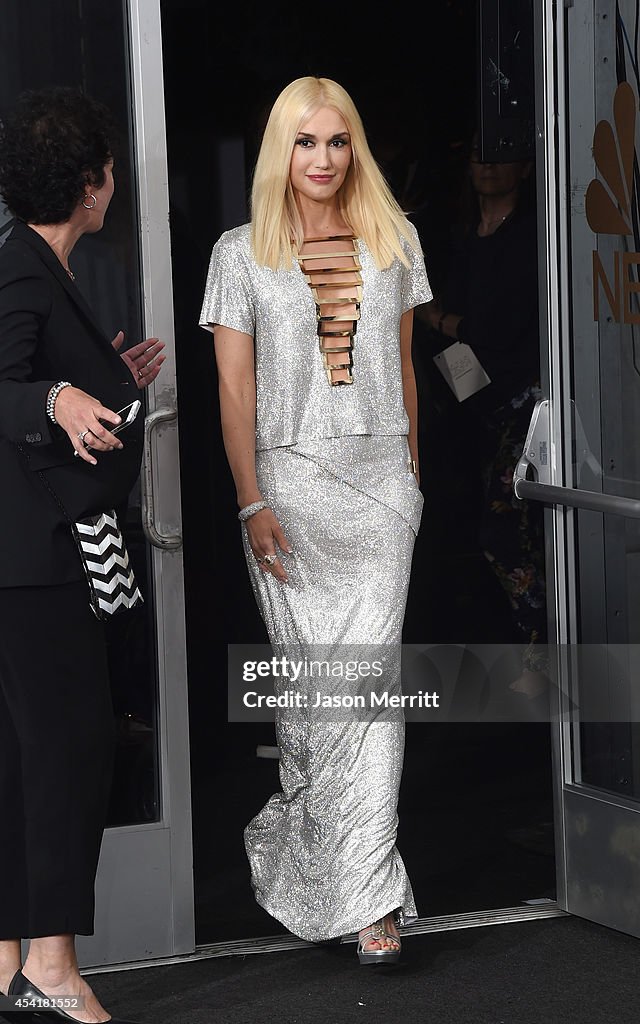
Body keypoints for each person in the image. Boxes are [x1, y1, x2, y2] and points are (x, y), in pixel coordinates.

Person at [200, 76, 432, 964]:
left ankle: (371, 897)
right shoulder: (239, 253)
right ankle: (309, 861)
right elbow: (233, 388)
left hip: (379, 495)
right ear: (280, 152)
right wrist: (250, 496)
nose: (324, 159)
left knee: (368, 702)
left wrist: (410, 484)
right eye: (307, 143)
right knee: (315, 706)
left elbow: (406, 371)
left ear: (356, 149)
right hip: (288, 492)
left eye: (338, 142)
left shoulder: (394, 240)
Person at [0, 86, 164, 1024]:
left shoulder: (36, 268)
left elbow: (35, 371)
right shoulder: (22, 269)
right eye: (109, 174)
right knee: (67, 748)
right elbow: (11, 385)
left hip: (30, 559)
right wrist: (58, 398)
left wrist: (106, 375)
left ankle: (13, 957)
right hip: (35, 563)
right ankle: (53, 967)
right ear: (94, 187)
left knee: (22, 758)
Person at [419, 133, 547, 693]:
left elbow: (498, 328)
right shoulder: (461, 237)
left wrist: (444, 322)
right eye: (479, 155)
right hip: (480, 401)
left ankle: (543, 657)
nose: (488, 167)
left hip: (530, 401)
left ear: (524, 167)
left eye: (501, 155)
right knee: (495, 524)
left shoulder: (533, 238)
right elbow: (449, 339)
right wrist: (449, 335)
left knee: (507, 530)